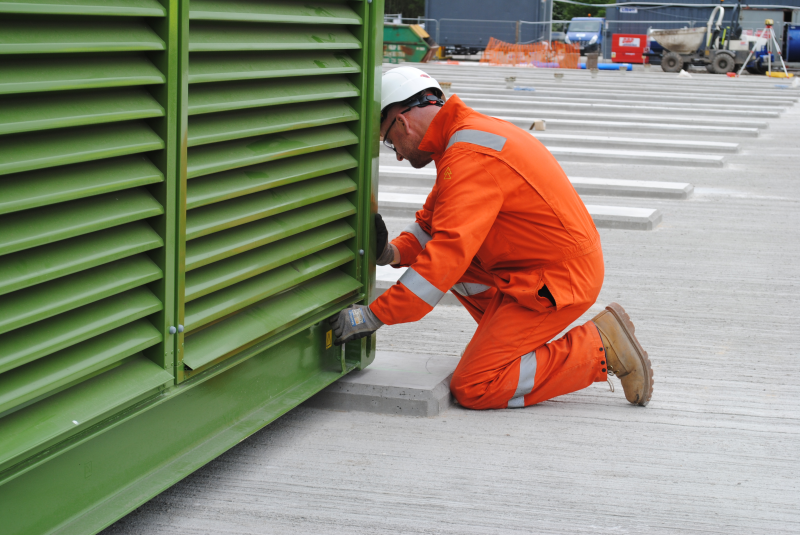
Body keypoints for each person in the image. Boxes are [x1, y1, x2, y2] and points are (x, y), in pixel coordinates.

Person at [330, 66, 653, 409]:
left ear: (402, 122)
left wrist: (374, 315)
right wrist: (391, 253)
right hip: (539, 267)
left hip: (557, 280)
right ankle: (503, 345)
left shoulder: (469, 158)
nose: (397, 154)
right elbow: (431, 227)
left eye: (390, 141)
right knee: (454, 269)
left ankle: (599, 347)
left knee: (475, 385)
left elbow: (445, 256)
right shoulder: (465, 137)